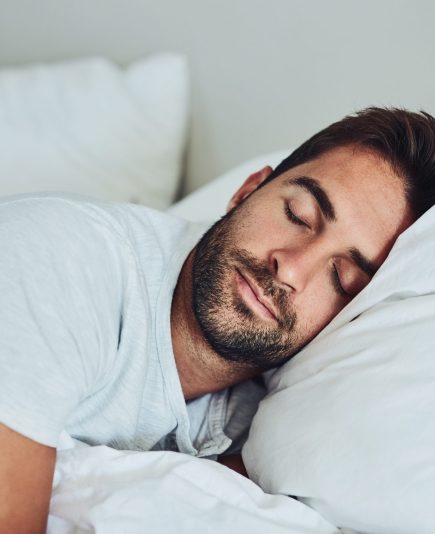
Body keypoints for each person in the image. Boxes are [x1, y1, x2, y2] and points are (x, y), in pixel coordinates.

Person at [1, 107, 435, 533]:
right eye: (297, 215)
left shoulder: (280, 425)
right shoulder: (56, 258)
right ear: (248, 190)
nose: (291, 268)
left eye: (342, 279)